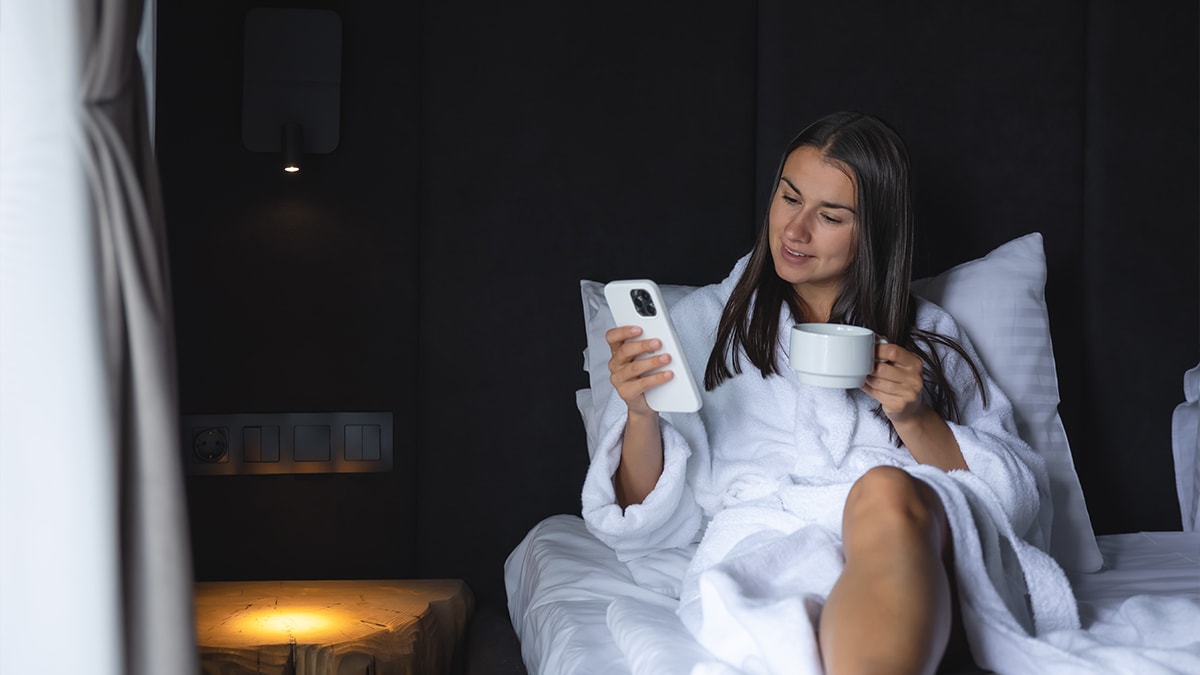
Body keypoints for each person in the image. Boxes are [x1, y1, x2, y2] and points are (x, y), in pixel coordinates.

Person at [581, 112, 1057, 674]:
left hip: (915, 540)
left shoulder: (929, 339)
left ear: (875, 233)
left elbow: (1013, 499)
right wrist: (640, 413)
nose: (794, 230)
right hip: (771, 545)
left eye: (829, 216)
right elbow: (643, 516)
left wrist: (914, 416)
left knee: (884, 490)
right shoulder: (704, 325)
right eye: (789, 198)